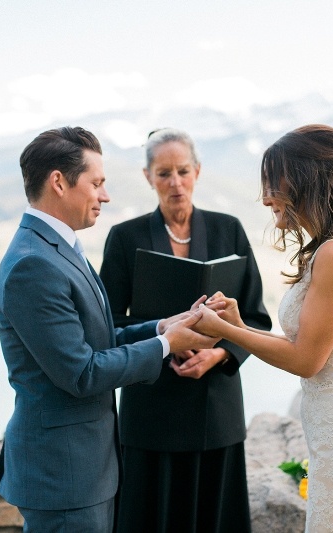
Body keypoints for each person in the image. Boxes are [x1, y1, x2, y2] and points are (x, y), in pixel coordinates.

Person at [193, 125, 333, 531]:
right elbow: (315, 346)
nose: (266, 197)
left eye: (273, 182)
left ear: (303, 180)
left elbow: (307, 360)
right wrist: (238, 322)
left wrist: (224, 331)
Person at [0, 126, 218, 533]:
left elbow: (98, 340)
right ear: (59, 182)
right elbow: (83, 373)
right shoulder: (34, 265)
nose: (105, 195)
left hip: (84, 470)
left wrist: (161, 327)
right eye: (96, 183)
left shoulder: (59, 248)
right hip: (63, 476)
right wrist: (168, 345)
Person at [99, 128, 271, 532]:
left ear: (197, 172)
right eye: (163, 173)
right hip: (151, 411)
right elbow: (107, 325)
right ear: (147, 177)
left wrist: (220, 353)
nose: (174, 182)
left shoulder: (229, 229)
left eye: (182, 171)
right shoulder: (125, 239)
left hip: (216, 412)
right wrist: (164, 341)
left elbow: (257, 318)